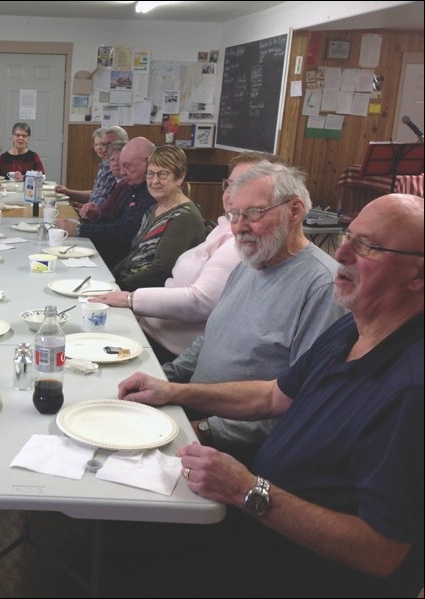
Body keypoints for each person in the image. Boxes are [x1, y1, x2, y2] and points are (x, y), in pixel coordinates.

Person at [113, 193, 424, 598]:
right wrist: (173, 389)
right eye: (349, 236)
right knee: (122, 534)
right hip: (259, 515)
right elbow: (273, 396)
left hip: (302, 569)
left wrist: (248, 490)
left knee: (127, 567)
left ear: (418, 274)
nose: (342, 252)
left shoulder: (411, 388)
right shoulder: (355, 326)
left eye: (367, 246)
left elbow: (382, 552)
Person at [161, 160, 346, 456]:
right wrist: (164, 377)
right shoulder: (251, 261)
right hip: (190, 410)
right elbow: (210, 339)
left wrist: (204, 430)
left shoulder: (323, 287)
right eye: (234, 214)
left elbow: (304, 403)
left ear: (295, 210)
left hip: (234, 445)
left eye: (254, 213)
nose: (239, 227)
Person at [94, 152, 279, 363]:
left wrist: (130, 298)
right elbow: (135, 252)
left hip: (165, 348)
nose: (232, 193)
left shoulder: (241, 242)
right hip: (149, 325)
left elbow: (199, 301)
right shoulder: (224, 227)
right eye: (230, 184)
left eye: (247, 185)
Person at [111, 145, 205, 291]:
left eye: (162, 174)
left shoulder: (184, 217)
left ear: (180, 177)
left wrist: (117, 287)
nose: (154, 181)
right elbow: (135, 253)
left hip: (146, 296)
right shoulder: (153, 209)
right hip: (128, 286)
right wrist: (110, 279)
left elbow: (161, 271)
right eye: (150, 174)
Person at [54, 137, 156, 269]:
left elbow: (125, 233)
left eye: (128, 166)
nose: (123, 172)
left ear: (147, 162)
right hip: (108, 254)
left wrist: (79, 230)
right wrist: (98, 216)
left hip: (118, 264)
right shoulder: (131, 186)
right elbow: (117, 222)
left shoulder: (152, 193)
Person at [57, 126, 128, 209]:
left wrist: (89, 210)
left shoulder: (119, 170)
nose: (103, 150)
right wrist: (68, 192)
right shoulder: (105, 165)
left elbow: (107, 207)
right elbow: (97, 194)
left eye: (109, 145)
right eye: (101, 145)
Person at [77, 140, 126, 223]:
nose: (115, 164)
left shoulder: (126, 185)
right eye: (112, 160)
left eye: (119, 160)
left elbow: (117, 225)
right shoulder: (115, 183)